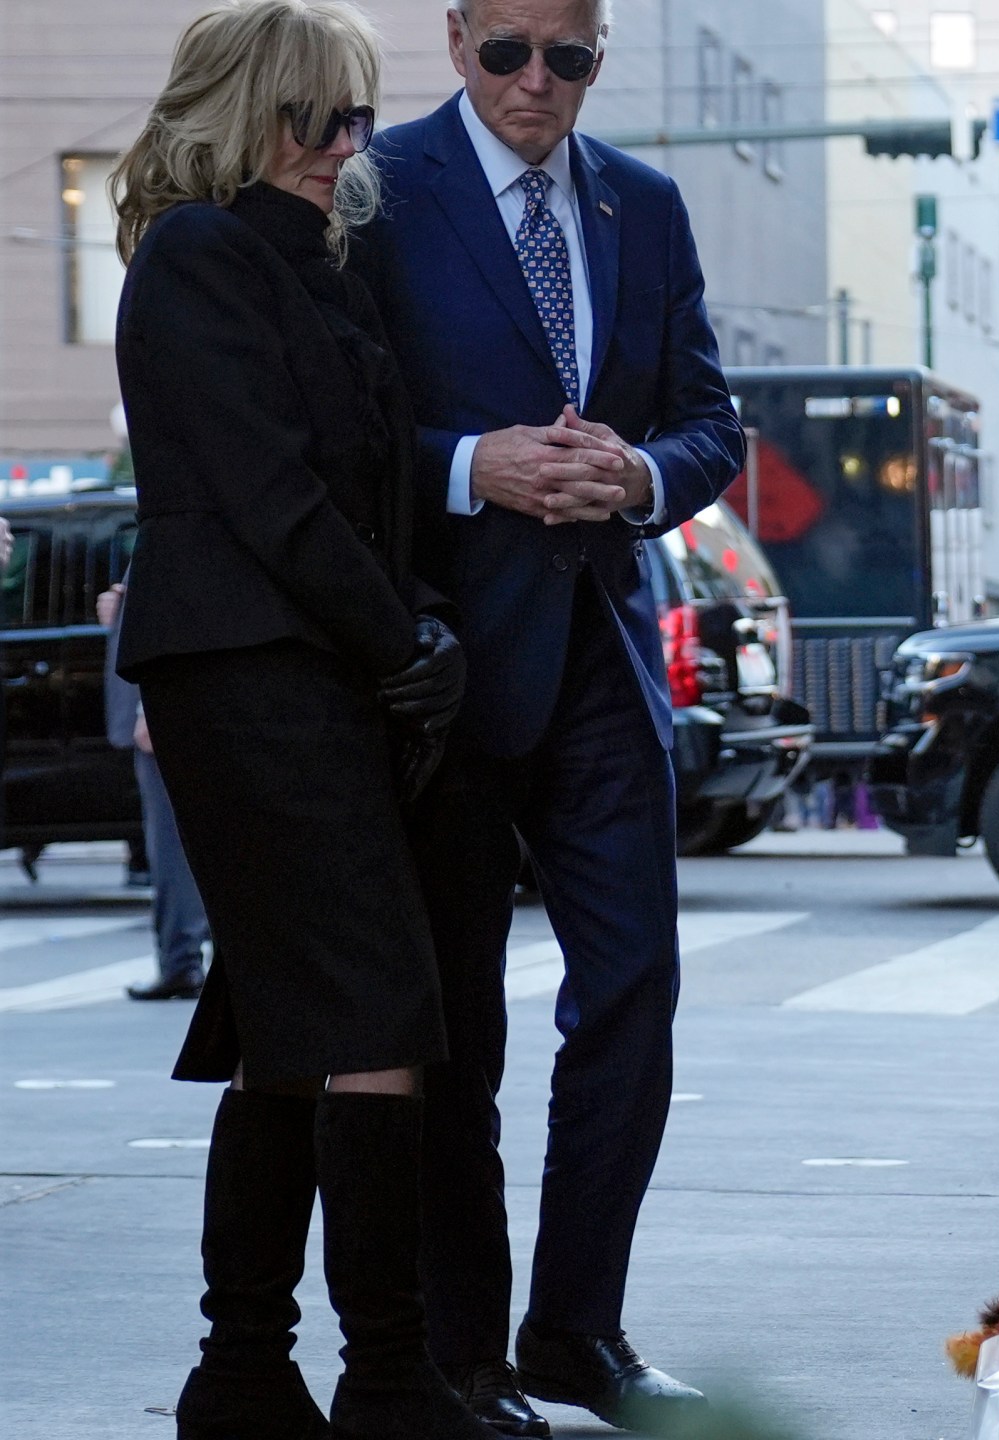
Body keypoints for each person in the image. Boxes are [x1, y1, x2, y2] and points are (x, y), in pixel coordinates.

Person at [360, 0, 743, 1430]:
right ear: (457, 41)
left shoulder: (643, 204)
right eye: (507, 51)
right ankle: (461, 1353)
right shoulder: (377, 192)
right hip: (448, 668)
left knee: (633, 989)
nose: (536, 81)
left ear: (599, 53)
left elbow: (713, 420)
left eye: (566, 55)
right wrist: (474, 466)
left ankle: (576, 1330)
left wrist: (640, 477)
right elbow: (335, 421)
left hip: (602, 655)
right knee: (456, 1025)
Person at [108, 4, 479, 1437]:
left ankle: (245, 1374)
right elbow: (269, 496)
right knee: (376, 1007)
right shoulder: (200, 258)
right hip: (251, 677)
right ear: (242, 110)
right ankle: (381, 1377)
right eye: (311, 116)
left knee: (289, 1020)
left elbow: (366, 488)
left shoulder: (319, 265)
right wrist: (405, 645)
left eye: (359, 119)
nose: (342, 147)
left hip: (323, 672)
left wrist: (414, 631)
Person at [100, 580, 212, 1001]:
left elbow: (173, 603)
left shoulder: (173, 516)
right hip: (178, 706)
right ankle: (184, 960)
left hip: (168, 707)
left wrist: (150, 705)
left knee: (172, 844)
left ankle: (180, 961)